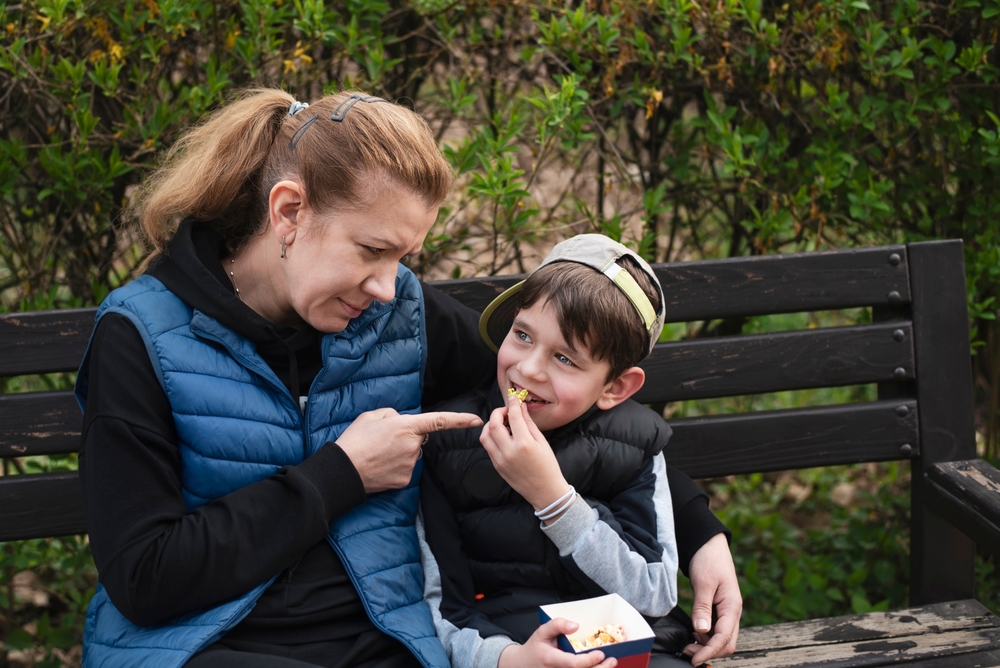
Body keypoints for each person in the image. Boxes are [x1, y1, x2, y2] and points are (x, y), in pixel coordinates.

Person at [75, 86, 738, 668]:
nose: (389, 286)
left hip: (390, 639)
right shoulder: (142, 338)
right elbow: (145, 577)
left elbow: (555, 405)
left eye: (402, 257)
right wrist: (340, 474)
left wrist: (700, 532)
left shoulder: (398, 318)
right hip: (212, 645)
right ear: (288, 213)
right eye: (371, 250)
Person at [418, 235, 742, 668]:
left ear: (615, 387)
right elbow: (442, 609)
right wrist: (506, 659)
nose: (528, 369)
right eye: (522, 335)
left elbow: (656, 594)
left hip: (630, 648)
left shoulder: (635, 444)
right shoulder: (447, 443)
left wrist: (555, 501)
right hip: (513, 648)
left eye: (565, 359)